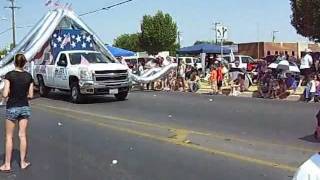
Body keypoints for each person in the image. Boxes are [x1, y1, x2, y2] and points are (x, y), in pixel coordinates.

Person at [0, 54, 34, 172]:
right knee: (22, 135)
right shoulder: (29, 77)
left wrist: (9, 93)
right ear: (24, 63)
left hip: (12, 107)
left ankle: (7, 165)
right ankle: (23, 162)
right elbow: (31, 95)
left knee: (9, 137)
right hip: (24, 106)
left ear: (14, 63)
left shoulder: (9, 75)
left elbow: (4, 94)